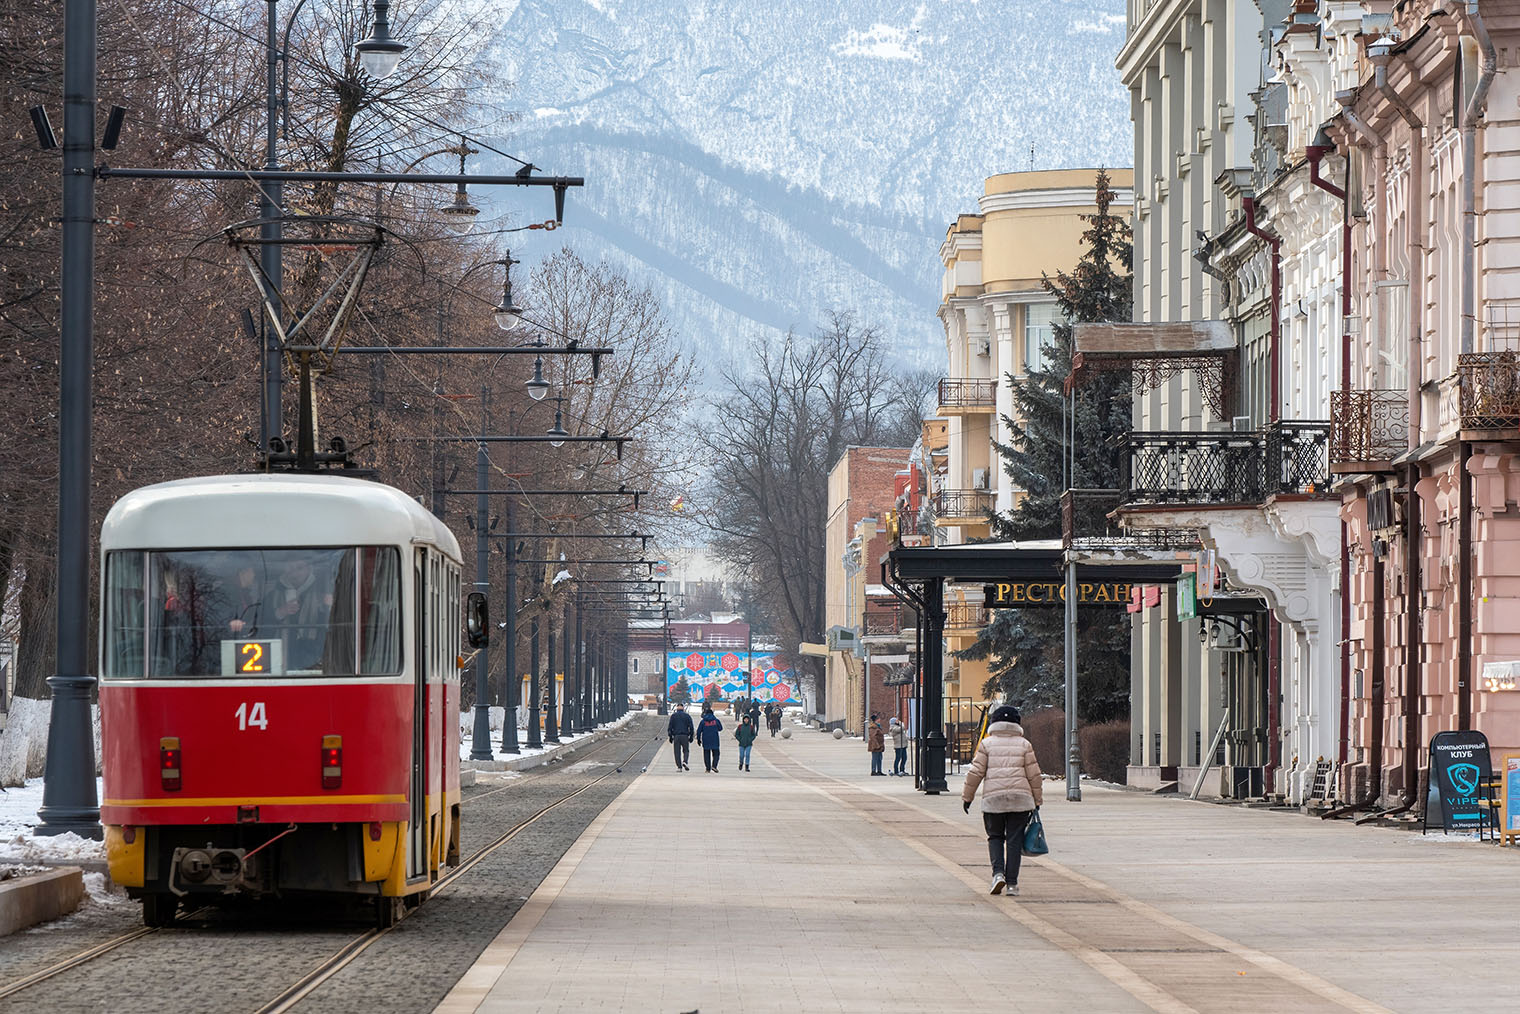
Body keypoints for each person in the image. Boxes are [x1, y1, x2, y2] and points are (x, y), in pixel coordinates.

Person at [961, 704, 1043, 897]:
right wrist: (1037, 799)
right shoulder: (1025, 744)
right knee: (1014, 841)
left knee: (995, 837)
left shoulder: (986, 744)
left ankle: (998, 874)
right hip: (1020, 800)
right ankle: (1012, 884)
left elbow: (975, 773)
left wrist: (967, 797)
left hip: (993, 800)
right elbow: (1034, 775)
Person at [667, 703, 694, 770]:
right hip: (685, 736)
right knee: (686, 750)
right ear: (683, 708)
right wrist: (691, 736)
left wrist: (670, 736)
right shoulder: (687, 716)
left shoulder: (673, 716)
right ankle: (685, 761)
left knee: (677, 752)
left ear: (677, 708)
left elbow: (670, 727)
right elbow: (691, 727)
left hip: (676, 736)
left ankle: (679, 766)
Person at [697, 707, 724, 772]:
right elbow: (720, 728)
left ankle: (708, 768)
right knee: (716, 754)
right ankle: (714, 766)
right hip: (715, 739)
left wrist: (698, 739)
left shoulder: (703, 721)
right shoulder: (716, 721)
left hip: (706, 739)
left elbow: (699, 731)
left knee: (706, 754)